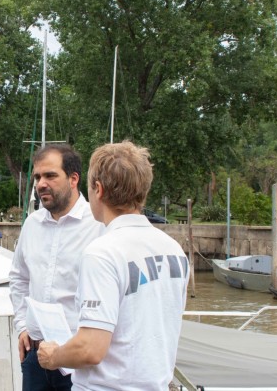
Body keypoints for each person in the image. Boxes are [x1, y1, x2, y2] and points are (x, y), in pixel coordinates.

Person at [37, 141, 190, 391]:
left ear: (98, 189)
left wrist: (53, 356)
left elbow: (90, 349)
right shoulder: (174, 250)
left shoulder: (103, 253)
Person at [9, 144, 104, 391]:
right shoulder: (31, 224)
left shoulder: (98, 226)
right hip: (36, 355)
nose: (41, 184)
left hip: (77, 362)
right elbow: (19, 278)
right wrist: (21, 326)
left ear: (73, 179)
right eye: (38, 177)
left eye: (50, 175)